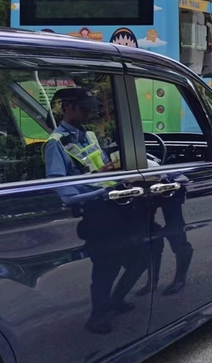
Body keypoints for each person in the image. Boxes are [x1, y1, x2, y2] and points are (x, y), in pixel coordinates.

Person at [44, 88, 144, 335]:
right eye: (83, 107)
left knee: (140, 259)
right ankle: (97, 317)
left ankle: (115, 301)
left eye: (90, 107)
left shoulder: (88, 135)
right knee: (105, 269)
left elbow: (98, 168)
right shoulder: (55, 144)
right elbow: (63, 190)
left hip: (115, 206)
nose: (89, 112)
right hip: (94, 213)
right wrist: (96, 180)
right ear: (67, 107)